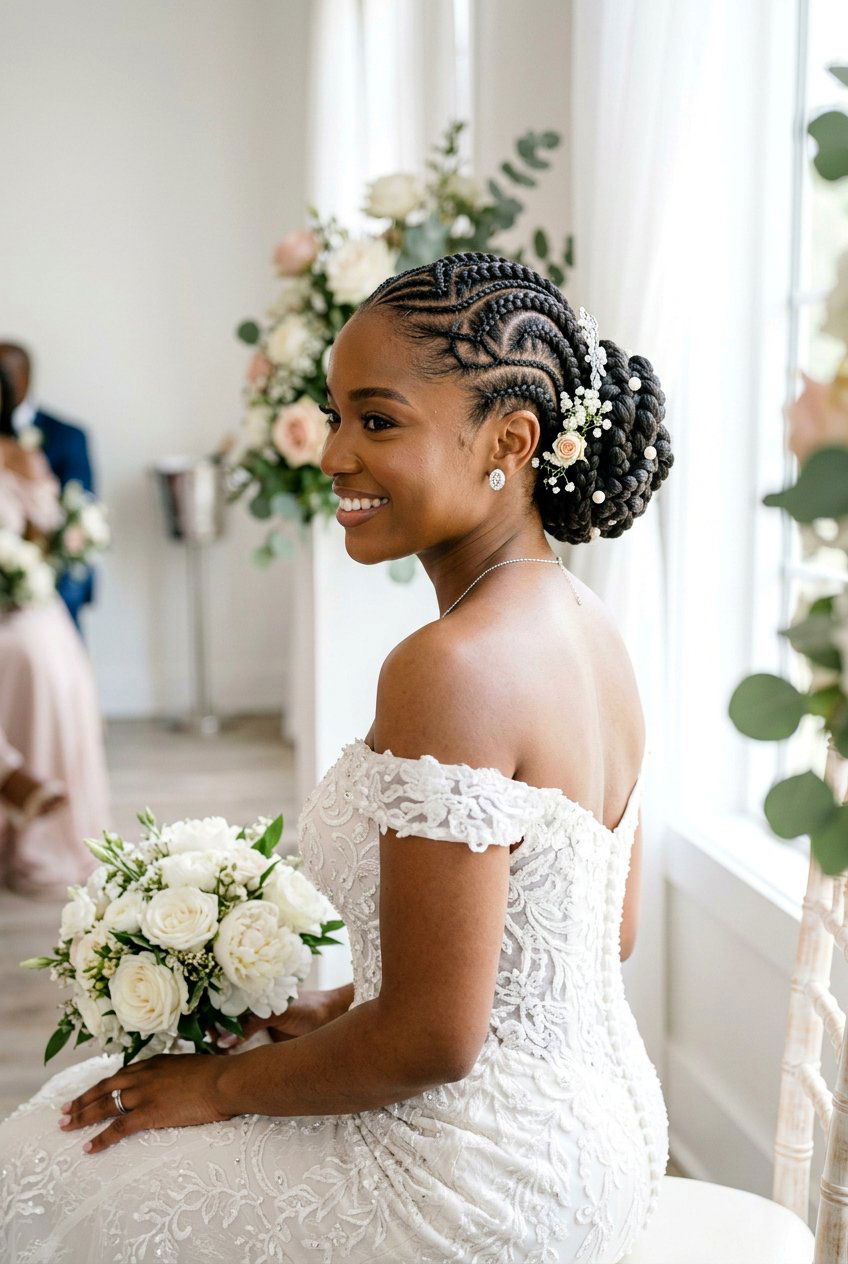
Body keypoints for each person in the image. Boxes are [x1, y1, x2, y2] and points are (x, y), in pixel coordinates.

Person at [0, 253, 673, 1262]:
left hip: (468, 1188)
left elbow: (432, 1042)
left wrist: (217, 1084)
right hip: (606, 1145)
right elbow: (598, 935)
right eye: (334, 416)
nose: (332, 455)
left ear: (511, 439)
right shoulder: (592, 627)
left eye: (378, 421)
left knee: (45, 1157)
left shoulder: (450, 666)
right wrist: (331, 1009)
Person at [0, 364, 110, 895]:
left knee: (37, 648)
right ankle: (10, 777)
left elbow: (43, 539)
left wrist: (17, 573)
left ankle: (37, 818)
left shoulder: (19, 456)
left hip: (18, 600)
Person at [0, 342, 97, 633]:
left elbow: (76, 515)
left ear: (24, 378)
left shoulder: (66, 436)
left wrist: (38, 587)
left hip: (45, 590)